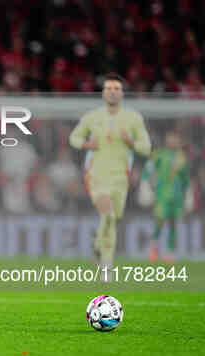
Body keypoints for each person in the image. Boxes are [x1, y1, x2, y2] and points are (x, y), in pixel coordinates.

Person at [69, 73, 151, 277]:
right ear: (103, 93)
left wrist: (130, 142)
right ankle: (104, 261)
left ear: (122, 93)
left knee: (111, 220)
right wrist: (87, 144)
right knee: (107, 213)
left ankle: (101, 254)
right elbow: (74, 138)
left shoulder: (133, 118)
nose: (112, 92)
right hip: (96, 174)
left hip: (120, 177)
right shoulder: (92, 117)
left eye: (116, 88)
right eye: (108, 88)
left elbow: (146, 148)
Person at [142, 130, 189, 263]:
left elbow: (185, 179)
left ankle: (170, 252)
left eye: (175, 139)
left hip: (177, 196)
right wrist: (148, 183)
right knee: (160, 221)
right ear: (167, 140)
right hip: (162, 194)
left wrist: (186, 196)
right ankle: (154, 247)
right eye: (170, 138)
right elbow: (148, 169)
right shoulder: (159, 154)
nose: (173, 141)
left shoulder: (182, 157)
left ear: (179, 141)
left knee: (173, 223)